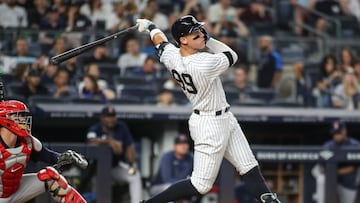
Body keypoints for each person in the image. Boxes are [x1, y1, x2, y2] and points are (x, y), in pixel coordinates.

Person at [136, 15, 281, 203]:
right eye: (195, 34)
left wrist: (151, 27)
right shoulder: (203, 63)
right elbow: (232, 55)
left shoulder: (171, 55)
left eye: (200, 31)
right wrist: (210, 40)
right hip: (209, 124)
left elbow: (160, 42)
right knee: (200, 185)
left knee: (249, 166)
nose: (201, 35)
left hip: (225, 118)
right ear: (183, 40)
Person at [0, 99, 87, 202]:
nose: (23, 120)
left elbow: (49, 156)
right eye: (18, 116)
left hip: (14, 191)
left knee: (51, 177)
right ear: (5, 119)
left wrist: (64, 159)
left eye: (23, 116)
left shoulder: (28, 142)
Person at [86, 105, 142, 203]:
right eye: (107, 116)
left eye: (112, 116)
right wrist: (109, 142)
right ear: (102, 118)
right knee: (96, 189)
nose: (110, 119)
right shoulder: (96, 128)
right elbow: (90, 141)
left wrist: (132, 164)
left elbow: (129, 146)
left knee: (135, 175)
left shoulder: (121, 127)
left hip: (115, 167)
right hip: (97, 170)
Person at [313, 120, 360, 203]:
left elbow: (351, 168)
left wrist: (332, 172)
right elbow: (321, 168)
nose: (336, 136)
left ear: (345, 132)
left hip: (348, 184)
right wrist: (328, 172)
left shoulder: (355, 145)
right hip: (331, 182)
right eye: (334, 133)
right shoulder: (328, 145)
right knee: (321, 179)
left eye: (338, 133)